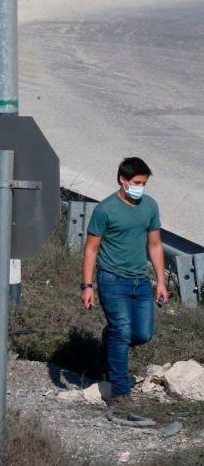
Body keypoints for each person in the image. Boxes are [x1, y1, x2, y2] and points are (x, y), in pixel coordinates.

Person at [81, 158, 167, 424]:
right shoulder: (105, 210)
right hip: (111, 280)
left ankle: (109, 341)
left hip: (140, 281)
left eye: (144, 183)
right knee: (123, 332)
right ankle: (119, 392)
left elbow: (154, 245)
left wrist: (161, 281)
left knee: (142, 334)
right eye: (137, 183)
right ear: (123, 180)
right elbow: (91, 249)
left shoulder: (150, 206)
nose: (141, 188)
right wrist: (87, 285)